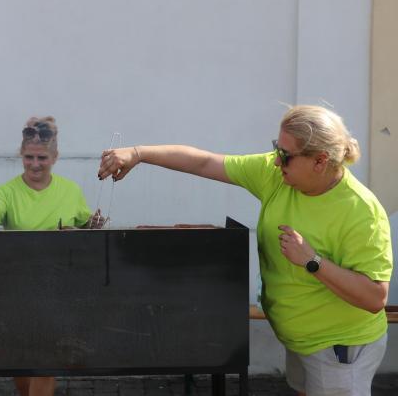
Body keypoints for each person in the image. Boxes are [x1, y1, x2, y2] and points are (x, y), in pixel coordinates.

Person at [97, 105, 392, 396]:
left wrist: (312, 261)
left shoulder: (361, 211)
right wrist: (138, 153)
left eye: (285, 155)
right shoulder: (276, 175)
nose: (276, 161)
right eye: (277, 149)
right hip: (302, 341)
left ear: (320, 161)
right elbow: (204, 162)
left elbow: (375, 297)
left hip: (339, 348)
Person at [0, 116, 104, 396]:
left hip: (58, 291)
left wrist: (91, 226)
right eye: (29, 157)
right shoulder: (7, 193)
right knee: (20, 359)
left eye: (42, 158)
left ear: (55, 157)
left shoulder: (70, 190)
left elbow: (84, 226)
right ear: (21, 155)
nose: (35, 164)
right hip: (17, 289)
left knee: (44, 360)